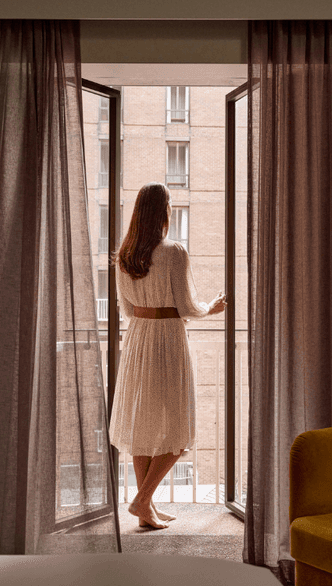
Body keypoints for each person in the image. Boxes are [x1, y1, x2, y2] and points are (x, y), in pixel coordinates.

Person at [108, 182, 227, 529]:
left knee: (142, 422)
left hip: (138, 339)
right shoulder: (174, 252)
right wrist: (211, 308)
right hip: (167, 341)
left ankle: (146, 507)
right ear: (164, 211)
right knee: (178, 425)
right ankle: (142, 500)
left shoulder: (124, 256)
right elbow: (187, 306)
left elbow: (127, 310)